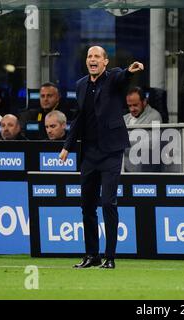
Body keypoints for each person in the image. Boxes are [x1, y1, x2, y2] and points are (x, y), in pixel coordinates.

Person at [59, 45, 144, 269]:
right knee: (87, 206)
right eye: (89, 56)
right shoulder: (80, 85)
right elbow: (78, 119)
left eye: (97, 56)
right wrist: (67, 146)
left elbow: (123, 76)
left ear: (105, 62)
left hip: (111, 151)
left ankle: (110, 257)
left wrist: (130, 71)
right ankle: (91, 255)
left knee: (108, 202)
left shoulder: (114, 77)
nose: (92, 59)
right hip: (89, 153)